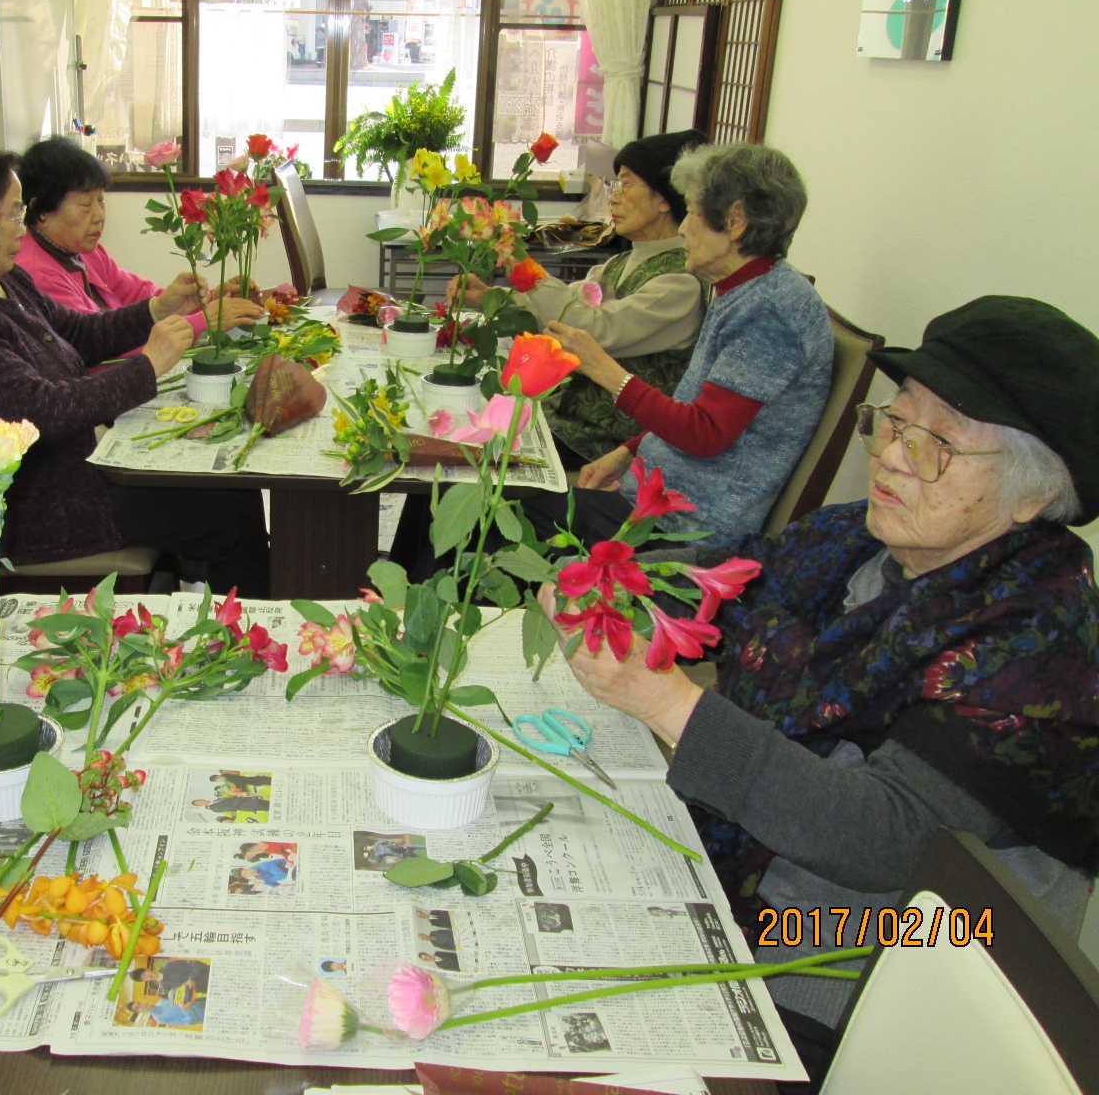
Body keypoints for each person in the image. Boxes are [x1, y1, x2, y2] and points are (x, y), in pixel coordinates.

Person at [545, 295, 1099, 1078]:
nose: (895, 456)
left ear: (1034, 495)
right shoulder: (856, 545)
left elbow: (888, 838)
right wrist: (615, 588)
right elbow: (725, 593)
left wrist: (666, 701)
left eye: (938, 444)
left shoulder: (1041, 644)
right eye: (896, 422)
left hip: (862, 953)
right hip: (754, 875)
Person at [0, 139, 271, 596]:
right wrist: (148, 365)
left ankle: (229, 620)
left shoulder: (0, 280)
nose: (22, 228)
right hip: (37, 511)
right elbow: (41, 412)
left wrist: (157, 309)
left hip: (65, 474)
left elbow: (78, 334)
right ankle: (248, 643)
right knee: (228, 515)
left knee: (232, 489)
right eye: (12, 214)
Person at [540, 142, 833, 545]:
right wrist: (627, 452)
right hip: (653, 499)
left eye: (693, 213)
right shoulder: (742, 289)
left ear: (734, 222)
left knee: (501, 508)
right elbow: (701, 409)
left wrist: (603, 368)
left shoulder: (770, 311)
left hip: (689, 530)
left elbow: (705, 434)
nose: (681, 228)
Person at [450, 129, 710, 467]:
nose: (613, 197)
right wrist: (490, 296)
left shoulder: (680, 285)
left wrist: (525, 266)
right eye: (614, 185)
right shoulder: (620, 263)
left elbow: (588, 331)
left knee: (469, 457)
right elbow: (562, 307)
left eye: (626, 184)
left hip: (601, 442)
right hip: (564, 420)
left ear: (664, 199)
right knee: (453, 439)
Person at [16, 136, 261, 336]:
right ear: (41, 211)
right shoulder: (35, 274)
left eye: (101, 200)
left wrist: (206, 300)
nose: (99, 215)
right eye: (85, 204)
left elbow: (137, 296)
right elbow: (96, 346)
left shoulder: (83, 250)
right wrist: (206, 321)